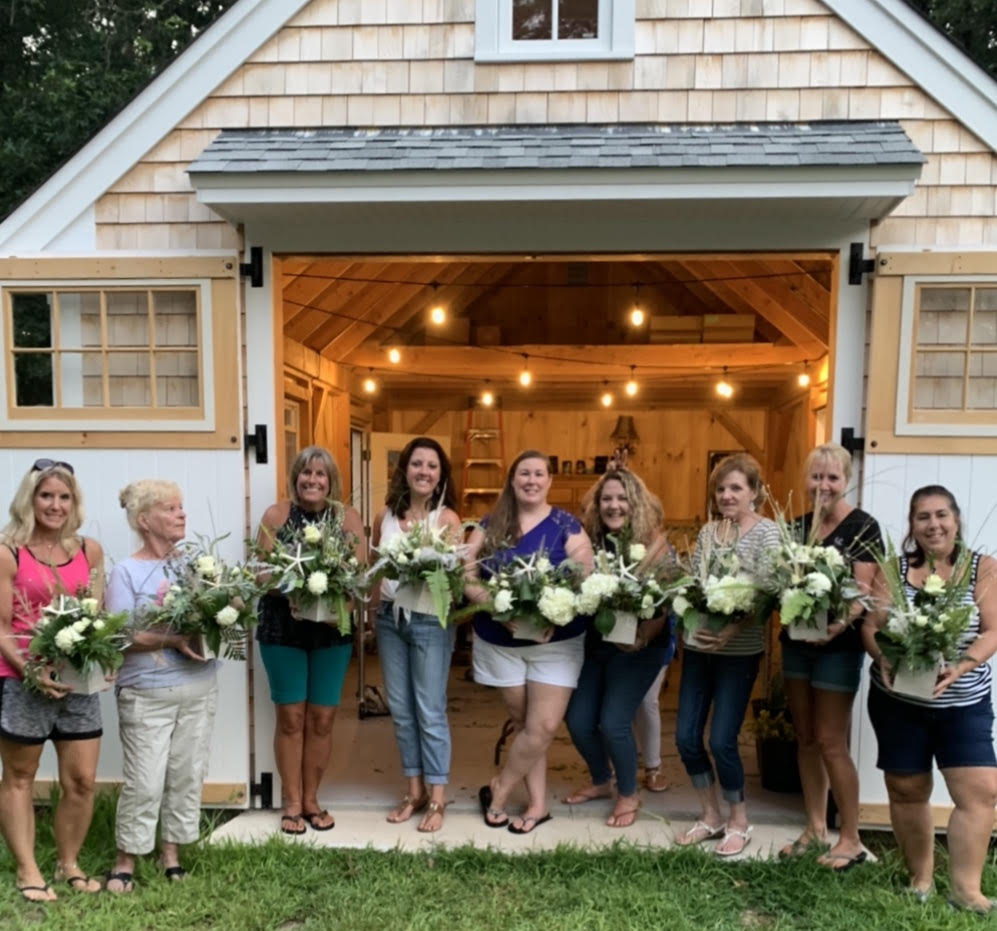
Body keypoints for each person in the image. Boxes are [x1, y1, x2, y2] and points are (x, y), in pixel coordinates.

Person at [863, 486, 997, 911]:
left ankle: (966, 890)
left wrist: (962, 665)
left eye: (941, 515)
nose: (933, 524)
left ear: (956, 519)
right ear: (912, 525)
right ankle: (920, 879)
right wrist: (882, 655)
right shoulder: (893, 569)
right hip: (898, 700)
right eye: (923, 517)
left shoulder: (983, 569)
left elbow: (993, 629)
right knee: (906, 787)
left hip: (962, 702)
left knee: (979, 791)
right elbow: (872, 626)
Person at [464, 449, 594, 834]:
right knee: (524, 723)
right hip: (502, 639)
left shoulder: (567, 525)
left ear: (550, 481)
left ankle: (500, 789)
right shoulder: (491, 523)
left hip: (556, 641)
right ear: (512, 479)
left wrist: (557, 611)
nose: (532, 480)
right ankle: (537, 805)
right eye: (524, 473)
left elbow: (585, 576)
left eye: (539, 474)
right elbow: (466, 572)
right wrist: (499, 608)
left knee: (544, 725)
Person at [104, 481, 218, 893]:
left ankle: (170, 853)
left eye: (182, 507)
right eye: (170, 508)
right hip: (146, 693)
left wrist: (229, 604)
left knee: (186, 774)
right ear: (144, 520)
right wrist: (171, 638)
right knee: (145, 780)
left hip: (198, 689)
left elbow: (216, 615)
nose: (181, 514)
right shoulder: (125, 571)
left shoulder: (192, 565)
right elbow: (118, 636)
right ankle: (126, 859)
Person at [0, 460, 105, 902]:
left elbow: (97, 618)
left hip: (79, 681)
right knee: (20, 777)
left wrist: (106, 655)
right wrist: (31, 673)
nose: (55, 505)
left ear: (74, 502)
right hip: (22, 678)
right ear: (30, 499)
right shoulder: (9, 552)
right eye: (46, 496)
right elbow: (3, 627)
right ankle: (28, 870)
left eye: (64, 497)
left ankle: (68, 864)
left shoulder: (89, 551)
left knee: (81, 779)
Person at [779, 444, 881, 869]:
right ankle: (815, 827)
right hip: (797, 642)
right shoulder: (797, 527)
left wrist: (842, 622)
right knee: (804, 737)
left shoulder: (863, 526)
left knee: (830, 740)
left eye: (832, 478)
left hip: (838, 646)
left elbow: (864, 589)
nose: (823, 486)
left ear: (847, 479)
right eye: (815, 477)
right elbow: (784, 581)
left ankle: (851, 837)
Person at [255, 446, 364, 835]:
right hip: (282, 629)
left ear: (331, 480)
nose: (312, 480)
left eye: (320, 474)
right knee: (291, 718)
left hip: (331, 632)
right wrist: (295, 592)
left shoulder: (347, 518)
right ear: (295, 477)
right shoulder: (276, 516)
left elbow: (359, 578)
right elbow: (260, 575)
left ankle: (313, 799)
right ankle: (291, 801)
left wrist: (335, 601)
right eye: (306, 473)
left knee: (322, 718)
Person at [674, 453, 778, 856]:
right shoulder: (708, 533)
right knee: (685, 735)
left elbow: (768, 592)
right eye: (721, 488)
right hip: (700, 649)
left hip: (739, 651)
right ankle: (709, 814)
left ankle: (739, 819)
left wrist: (733, 627)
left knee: (721, 740)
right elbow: (697, 586)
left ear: (755, 492)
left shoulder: (767, 533)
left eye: (736, 487)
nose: (727, 495)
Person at [563, 469, 675, 827]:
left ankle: (629, 792)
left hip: (642, 645)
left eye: (621, 498)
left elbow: (669, 600)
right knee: (579, 720)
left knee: (613, 722)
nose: (613, 505)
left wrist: (643, 635)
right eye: (606, 499)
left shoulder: (653, 542)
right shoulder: (590, 541)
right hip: (598, 643)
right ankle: (601, 780)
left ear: (635, 503)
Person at [370, 438, 461, 833]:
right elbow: (375, 570)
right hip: (391, 620)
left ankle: (438, 798)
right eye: (417, 464)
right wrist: (373, 613)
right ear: (404, 469)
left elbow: (454, 582)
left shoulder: (448, 520)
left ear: (441, 475)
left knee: (429, 709)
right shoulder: (385, 517)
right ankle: (414, 790)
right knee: (402, 711)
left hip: (429, 620)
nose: (424, 471)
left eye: (432, 466)